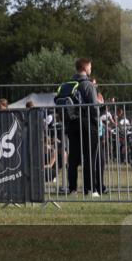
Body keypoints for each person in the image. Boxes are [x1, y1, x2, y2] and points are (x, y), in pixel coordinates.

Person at [58, 57, 101, 196]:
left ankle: (72, 189)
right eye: (90, 67)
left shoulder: (68, 84)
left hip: (71, 124)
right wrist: (96, 121)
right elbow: (94, 107)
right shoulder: (87, 85)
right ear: (85, 68)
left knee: (73, 158)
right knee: (90, 157)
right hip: (87, 124)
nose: (90, 69)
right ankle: (90, 189)